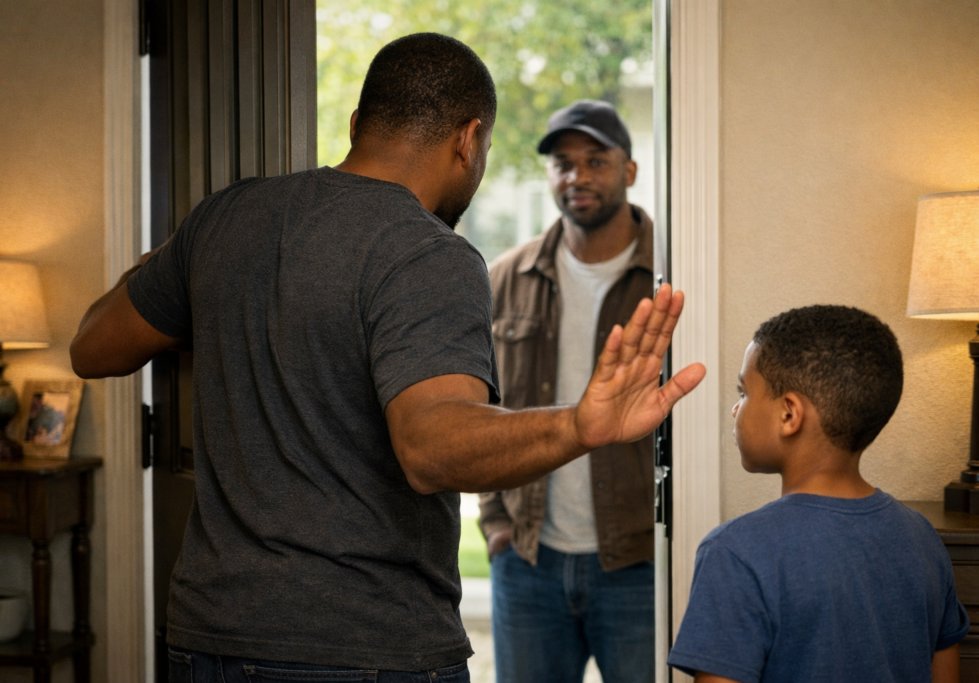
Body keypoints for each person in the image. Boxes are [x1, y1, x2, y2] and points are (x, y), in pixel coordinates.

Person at [70, 34, 705, 682]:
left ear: (356, 126)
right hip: (368, 648)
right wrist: (577, 425)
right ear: (469, 138)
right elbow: (430, 448)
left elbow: (92, 346)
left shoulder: (223, 219)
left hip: (205, 641)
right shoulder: (428, 251)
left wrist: (186, 272)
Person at [667, 305, 969, 683]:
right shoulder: (921, 537)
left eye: (744, 392)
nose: (735, 408)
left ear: (789, 415)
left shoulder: (734, 552)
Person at [478, 99, 657, 683]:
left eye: (595, 161)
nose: (577, 176)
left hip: (638, 564)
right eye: (562, 162)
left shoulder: (669, 277)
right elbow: (479, 406)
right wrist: (496, 525)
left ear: (628, 171)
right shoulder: (507, 277)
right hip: (528, 561)